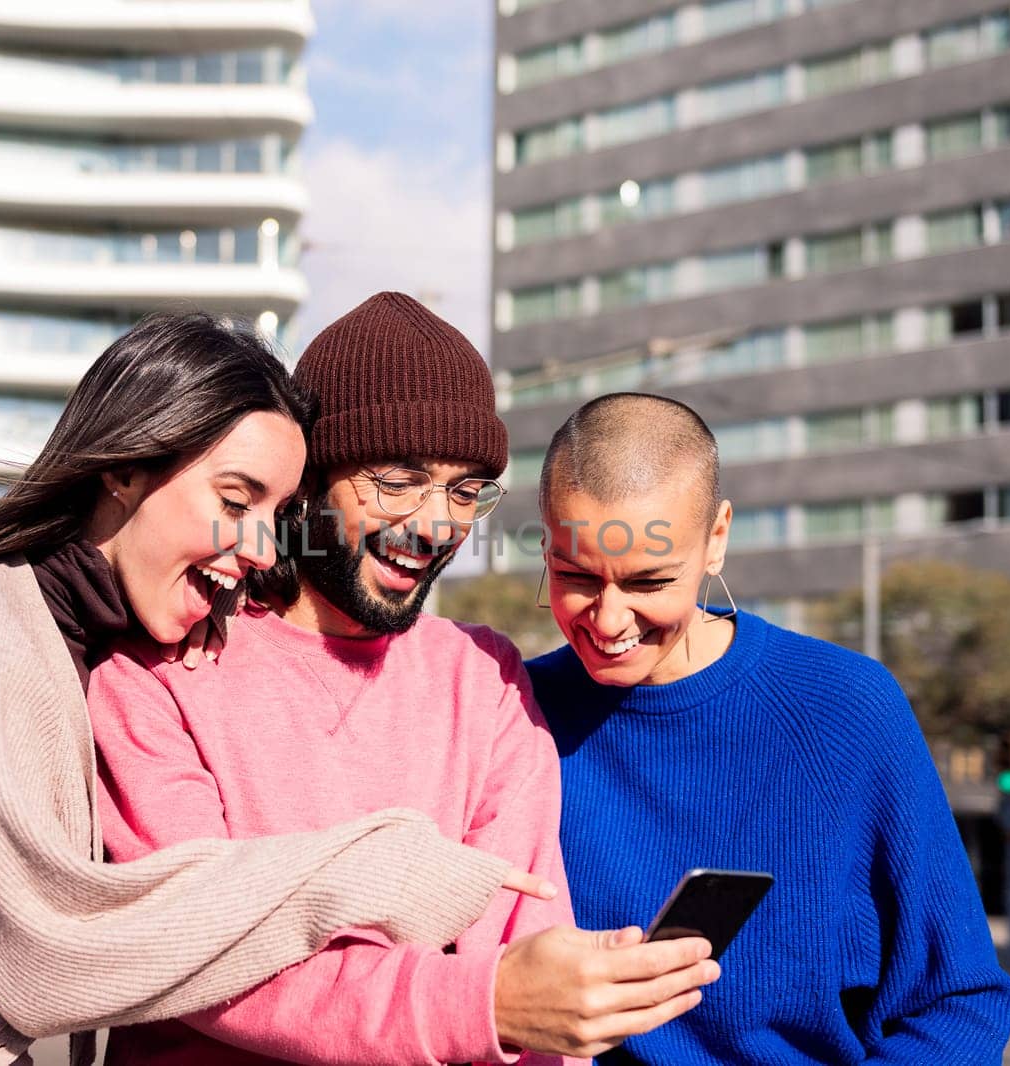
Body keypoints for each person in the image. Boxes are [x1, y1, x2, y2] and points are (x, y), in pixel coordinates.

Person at [0, 312, 556, 1066]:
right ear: (122, 470)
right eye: (236, 499)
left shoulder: (81, 637)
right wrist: (365, 868)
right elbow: (47, 959)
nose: (262, 546)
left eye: (276, 512)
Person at [88, 294, 720, 1066]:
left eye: (464, 491)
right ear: (309, 479)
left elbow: (524, 947)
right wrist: (483, 1002)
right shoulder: (161, 667)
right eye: (397, 479)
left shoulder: (483, 679)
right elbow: (200, 955)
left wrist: (538, 1002)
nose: (434, 524)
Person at [525, 393, 1010, 1064]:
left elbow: (956, 1000)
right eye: (575, 575)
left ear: (717, 538)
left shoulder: (846, 709)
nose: (609, 620)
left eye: (648, 582)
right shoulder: (510, 715)